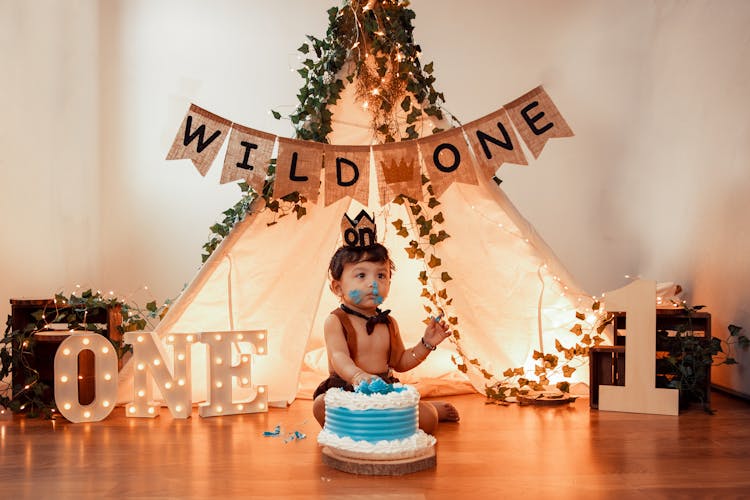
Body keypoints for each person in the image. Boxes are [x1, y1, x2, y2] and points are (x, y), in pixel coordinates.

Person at [312, 210, 459, 435]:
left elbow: (400, 361)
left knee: (427, 420)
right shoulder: (336, 321)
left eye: (381, 276)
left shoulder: (389, 323)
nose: (373, 283)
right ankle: (370, 427)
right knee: (321, 405)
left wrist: (426, 344)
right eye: (361, 275)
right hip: (348, 389)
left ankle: (429, 411)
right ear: (337, 287)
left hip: (383, 389)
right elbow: (339, 357)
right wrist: (358, 376)